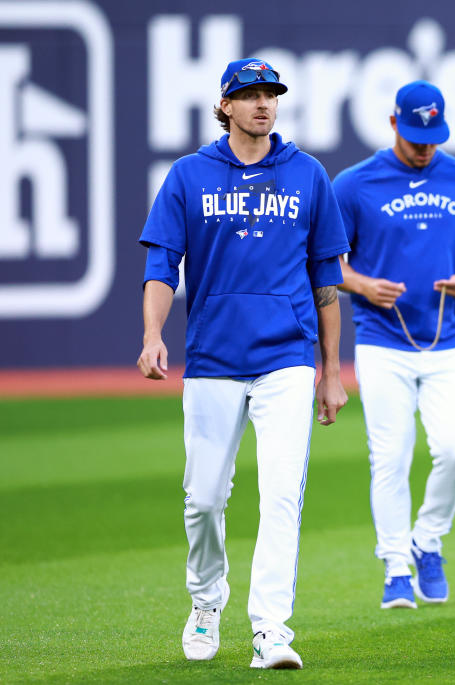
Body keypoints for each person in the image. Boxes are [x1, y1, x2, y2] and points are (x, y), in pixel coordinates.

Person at [136, 58, 350, 670]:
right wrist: (153, 334)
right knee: (203, 498)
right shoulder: (188, 175)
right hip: (212, 358)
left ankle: (271, 630)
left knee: (282, 494)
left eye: (270, 94)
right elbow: (160, 264)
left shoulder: (308, 175)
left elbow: (325, 281)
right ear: (224, 105)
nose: (263, 103)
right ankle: (206, 602)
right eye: (249, 94)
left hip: (286, 357)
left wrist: (330, 371)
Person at [332, 81, 455, 609]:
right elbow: (326, 257)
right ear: (393, 124)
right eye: (414, 136)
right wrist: (358, 284)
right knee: (390, 457)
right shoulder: (355, 184)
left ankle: (427, 539)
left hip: (449, 337)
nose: (424, 146)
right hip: (382, 340)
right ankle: (395, 567)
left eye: (432, 136)